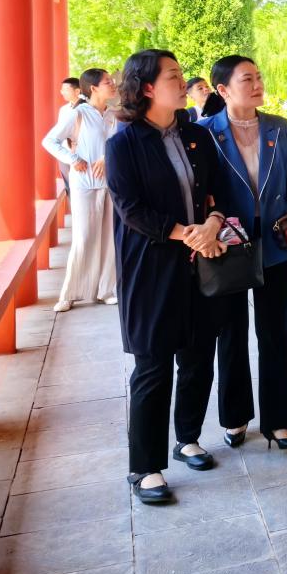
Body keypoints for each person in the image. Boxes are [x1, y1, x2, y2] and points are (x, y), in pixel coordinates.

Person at [105, 50, 231, 504]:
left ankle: (188, 438)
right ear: (147, 88)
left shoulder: (196, 134)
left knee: (198, 355)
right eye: (173, 76)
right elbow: (131, 209)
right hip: (151, 267)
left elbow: (218, 190)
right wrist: (186, 233)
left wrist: (212, 223)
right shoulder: (123, 144)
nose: (183, 83)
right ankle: (145, 468)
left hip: (200, 262)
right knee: (153, 366)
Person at [198, 56, 287, 451]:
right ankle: (235, 418)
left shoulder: (278, 127)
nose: (258, 84)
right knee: (231, 333)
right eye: (247, 79)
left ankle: (279, 422)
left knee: (274, 331)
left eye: (259, 77)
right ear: (223, 89)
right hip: (228, 246)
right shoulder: (205, 133)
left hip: (276, 243)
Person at [41, 68, 119, 311]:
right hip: (84, 183)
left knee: (109, 239)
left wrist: (107, 157)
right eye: (108, 82)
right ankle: (70, 294)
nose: (113, 84)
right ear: (93, 88)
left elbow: (119, 144)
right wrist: (73, 158)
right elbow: (49, 140)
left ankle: (106, 290)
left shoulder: (114, 114)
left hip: (111, 183)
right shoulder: (78, 113)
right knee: (84, 238)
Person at [55, 77, 81, 193]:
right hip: (65, 153)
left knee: (81, 188)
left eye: (66, 89)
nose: (62, 92)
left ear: (77, 91)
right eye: (62, 90)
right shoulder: (64, 110)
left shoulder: (87, 108)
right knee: (69, 188)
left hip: (81, 154)